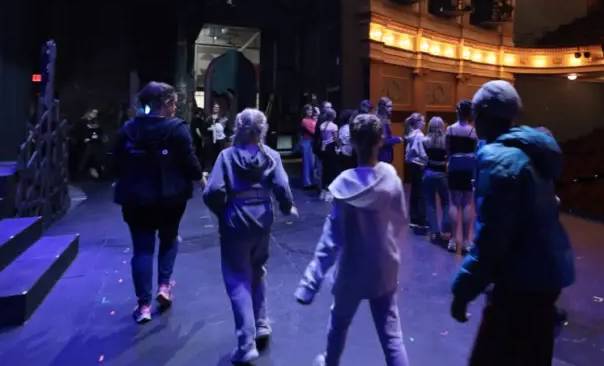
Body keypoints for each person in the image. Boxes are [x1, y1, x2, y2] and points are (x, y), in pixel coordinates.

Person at [451, 80, 575, 366]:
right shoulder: (529, 150)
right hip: (546, 278)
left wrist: (462, 292)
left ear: (483, 114)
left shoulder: (499, 159)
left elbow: (492, 237)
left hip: (519, 286)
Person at [295, 114, 409, 366]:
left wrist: (310, 283)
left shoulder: (343, 185)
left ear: (352, 143)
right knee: (391, 334)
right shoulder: (390, 178)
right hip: (384, 266)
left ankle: (330, 363)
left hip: (351, 270)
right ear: (381, 140)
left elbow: (331, 239)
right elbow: (401, 221)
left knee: (338, 324)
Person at [203, 108, 298, 364]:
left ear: (239, 128)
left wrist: (222, 211)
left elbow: (213, 191)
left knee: (237, 280)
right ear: (262, 129)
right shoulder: (272, 156)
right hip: (263, 220)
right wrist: (287, 207)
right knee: (257, 271)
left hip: (235, 221)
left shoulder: (226, 156)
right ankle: (262, 323)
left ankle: (246, 344)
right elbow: (282, 187)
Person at [111, 82, 205, 324]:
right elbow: (189, 160)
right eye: (174, 103)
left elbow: (114, 162)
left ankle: (143, 306)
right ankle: (164, 286)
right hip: (170, 198)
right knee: (169, 238)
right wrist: (200, 178)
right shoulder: (177, 129)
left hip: (135, 199)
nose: (175, 108)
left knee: (142, 249)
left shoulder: (128, 129)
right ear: (166, 103)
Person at [446, 100, 479, 253]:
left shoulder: (450, 130)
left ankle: (453, 240)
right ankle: (466, 241)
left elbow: (448, 150)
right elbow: (475, 151)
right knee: (467, 204)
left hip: (454, 165)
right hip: (468, 167)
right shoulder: (473, 132)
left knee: (454, 203)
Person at [422, 116, 452, 244]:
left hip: (428, 173)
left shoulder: (425, 140)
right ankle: (446, 230)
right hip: (441, 174)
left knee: (430, 202)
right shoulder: (446, 141)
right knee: (445, 202)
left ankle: (434, 231)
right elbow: (448, 157)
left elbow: (423, 157)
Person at [403, 112, 428, 232]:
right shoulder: (419, 136)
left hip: (413, 165)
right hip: (420, 165)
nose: (424, 123)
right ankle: (421, 219)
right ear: (417, 123)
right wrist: (427, 159)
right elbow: (421, 152)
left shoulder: (411, 134)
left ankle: (413, 218)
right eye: (422, 121)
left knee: (414, 191)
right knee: (421, 193)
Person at [317, 108, 340, 201]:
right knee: (332, 170)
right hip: (331, 148)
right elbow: (335, 138)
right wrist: (339, 146)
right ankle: (330, 192)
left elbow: (322, 137)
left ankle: (323, 191)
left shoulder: (322, 125)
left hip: (324, 147)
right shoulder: (334, 126)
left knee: (325, 169)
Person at [376, 97, 402, 165]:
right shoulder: (381, 121)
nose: (391, 109)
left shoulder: (385, 119)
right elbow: (384, 141)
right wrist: (397, 139)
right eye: (388, 106)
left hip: (385, 156)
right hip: (382, 156)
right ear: (382, 107)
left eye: (391, 106)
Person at [300, 105, 318, 189]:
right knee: (307, 163)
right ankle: (307, 183)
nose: (310, 111)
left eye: (311, 109)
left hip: (313, 142)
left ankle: (312, 181)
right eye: (308, 110)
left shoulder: (313, 120)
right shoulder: (304, 120)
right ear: (305, 111)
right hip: (307, 142)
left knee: (313, 163)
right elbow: (313, 131)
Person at [335, 109, 355, 173]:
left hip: (344, 152)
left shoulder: (342, 127)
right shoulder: (347, 128)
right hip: (347, 153)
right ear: (349, 118)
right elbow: (346, 141)